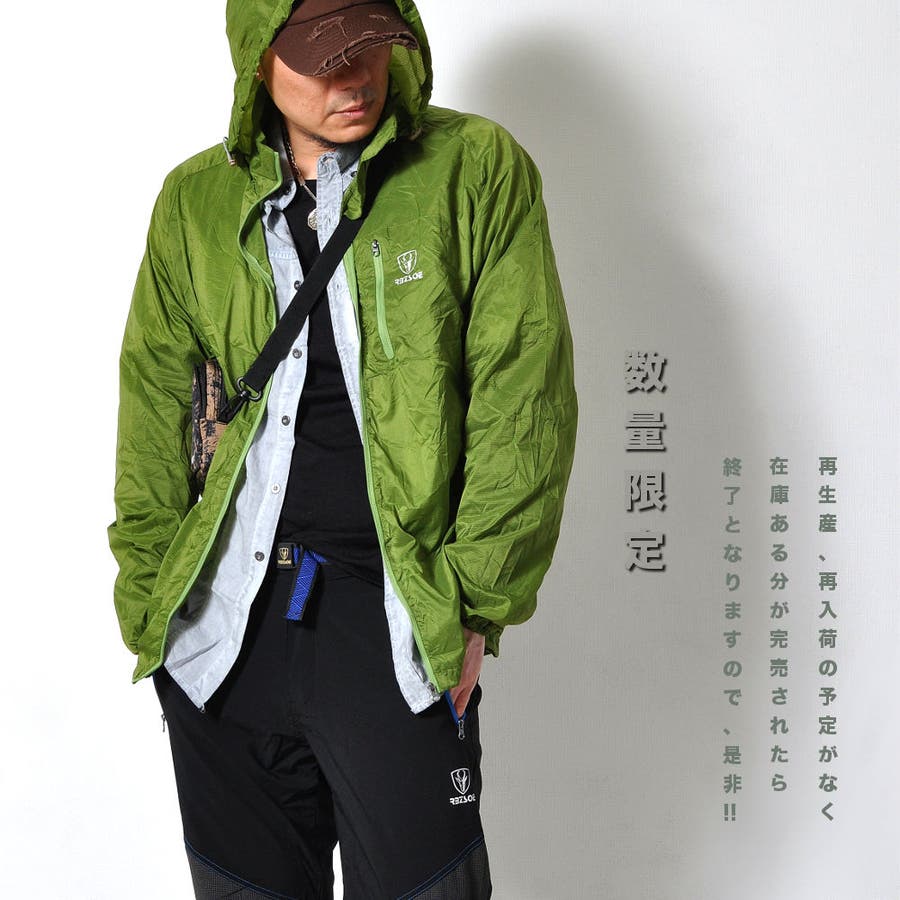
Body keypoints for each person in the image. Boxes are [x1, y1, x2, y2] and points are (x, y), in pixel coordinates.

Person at [108, 0, 577, 897]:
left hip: (392, 623)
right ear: (259, 60)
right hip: (225, 630)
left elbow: (524, 396)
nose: (353, 77)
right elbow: (152, 407)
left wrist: (472, 607)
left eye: (369, 46)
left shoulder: (474, 169)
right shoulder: (195, 202)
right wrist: (151, 605)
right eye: (320, 57)